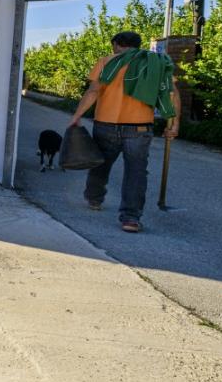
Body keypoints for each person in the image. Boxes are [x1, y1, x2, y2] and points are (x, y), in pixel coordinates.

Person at [67, 31, 180, 233]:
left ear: (117, 44)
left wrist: (76, 116)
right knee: (136, 173)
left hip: (105, 125)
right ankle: (131, 219)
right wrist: (175, 124)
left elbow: (93, 91)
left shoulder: (107, 62)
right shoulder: (154, 63)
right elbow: (171, 94)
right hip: (139, 127)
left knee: (100, 164)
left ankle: (94, 198)